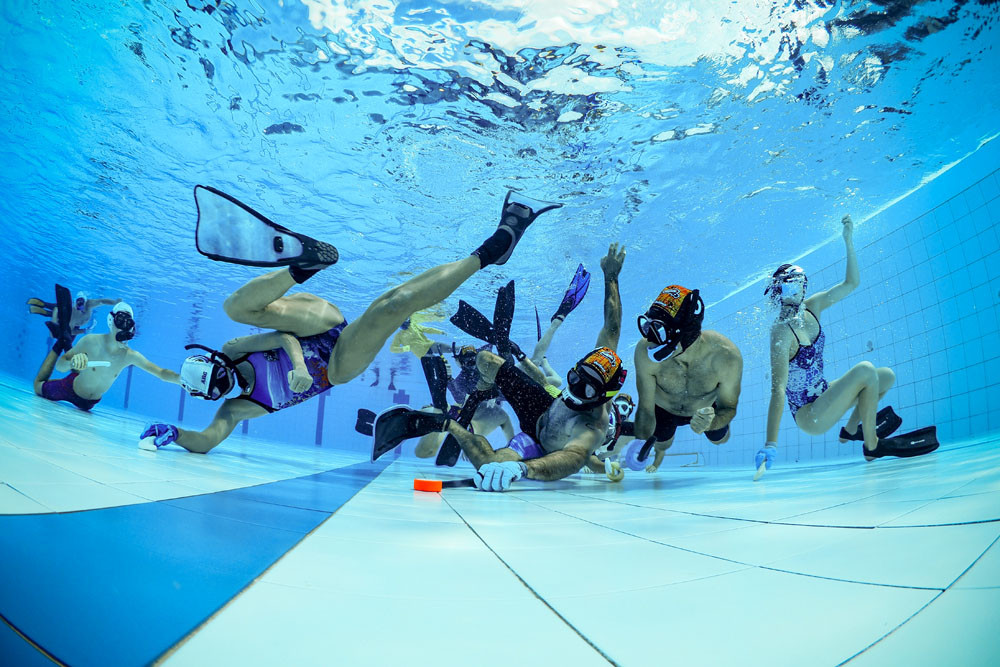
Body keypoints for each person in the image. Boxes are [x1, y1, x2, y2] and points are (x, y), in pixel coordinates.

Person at [139, 187, 560, 453]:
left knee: (235, 310)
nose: (226, 384)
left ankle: (303, 264)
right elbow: (207, 441)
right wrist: (175, 435)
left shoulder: (233, 351)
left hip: (313, 332)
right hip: (337, 365)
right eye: (219, 390)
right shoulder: (235, 411)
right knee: (392, 305)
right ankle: (492, 249)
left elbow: (282, 337)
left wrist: (299, 364)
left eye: (219, 376)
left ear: (216, 363)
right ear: (215, 398)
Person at [370, 243, 627, 492]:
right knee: (486, 360)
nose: (577, 386)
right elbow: (612, 328)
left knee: (492, 466)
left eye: (588, 390)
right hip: (545, 406)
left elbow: (573, 457)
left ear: (604, 396)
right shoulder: (599, 362)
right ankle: (481, 392)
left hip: (539, 445)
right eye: (575, 377)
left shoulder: (591, 427)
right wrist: (611, 276)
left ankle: (449, 425)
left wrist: (524, 470)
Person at [758, 215, 928, 478]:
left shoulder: (812, 307)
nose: (802, 290)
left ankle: (850, 431)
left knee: (884, 377)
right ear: (782, 290)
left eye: (803, 284)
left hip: (825, 395)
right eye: (796, 285)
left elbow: (851, 284)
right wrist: (771, 443)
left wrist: (848, 242)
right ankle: (872, 446)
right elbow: (777, 391)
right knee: (865, 370)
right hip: (810, 416)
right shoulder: (781, 333)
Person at [626, 285, 742, 473]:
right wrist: (641, 437)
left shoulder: (726, 357)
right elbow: (646, 409)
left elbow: (728, 408)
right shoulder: (643, 351)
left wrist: (711, 423)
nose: (651, 339)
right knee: (662, 444)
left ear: (685, 333)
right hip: (663, 409)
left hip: (704, 410)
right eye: (648, 326)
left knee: (720, 439)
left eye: (659, 330)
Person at [33, 303, 180, 411]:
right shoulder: (90, 341)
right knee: (38, 387)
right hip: (70, 388)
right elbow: (60, 365)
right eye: (120, 319)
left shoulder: (129, 356)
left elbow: (160, 373)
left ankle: (69, 346)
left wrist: (182, 380)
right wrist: (72, 363)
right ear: (111, 321)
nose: (123, 325)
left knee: (81, 363)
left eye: (127, 322)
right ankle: (60, 343)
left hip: (89, 404)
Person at [413, 344, 515, 459]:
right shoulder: (463, 379)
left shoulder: (487, 366)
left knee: (492, 410)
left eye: (473, 360)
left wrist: (494, 390)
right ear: (460, 363)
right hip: (477, 408)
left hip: (488, 407)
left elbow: (509, 384)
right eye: (467, 361)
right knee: (472, 406)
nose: (471, 366)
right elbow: (460, 398)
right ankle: (447, 419)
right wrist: (449, 378)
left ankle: (468, 432)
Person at [28, 290, 121, 338]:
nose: (80, 304)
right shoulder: (74, 313)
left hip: (68, 317)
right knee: (54, 311)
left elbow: (102, 301)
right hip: (67, 316)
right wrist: (83, 331)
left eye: (82, 301)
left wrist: (114, 302)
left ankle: (42, 307)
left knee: (52, 312)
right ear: (75, 302)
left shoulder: (89, 304)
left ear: (85, 300)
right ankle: (42, 307)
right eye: (78, 302)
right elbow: (71, 331)